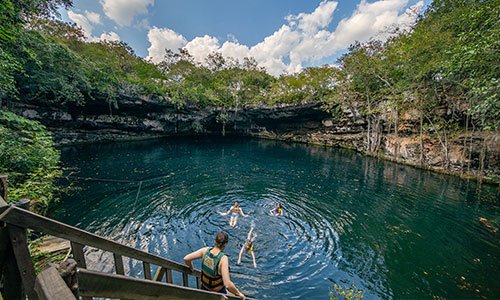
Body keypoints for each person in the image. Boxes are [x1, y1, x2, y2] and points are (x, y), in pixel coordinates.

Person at [184, 231, 246, 299]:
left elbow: (186, 258)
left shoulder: (205, 250)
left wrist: (191, 267)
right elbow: (227, 284)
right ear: (225, 244)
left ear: (215, 241)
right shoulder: (223, 259)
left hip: (204, 288)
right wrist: (239, 294)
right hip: (217, 293)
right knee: (232, 291)